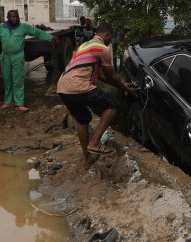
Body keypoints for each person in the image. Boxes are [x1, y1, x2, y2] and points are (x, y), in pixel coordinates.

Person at [56, 22, 137, 165]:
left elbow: (99, 75)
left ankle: (87, 160)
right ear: (108, 34)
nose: (110, 40)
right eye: (111, 37)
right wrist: (126, 89)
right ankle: (94, 143)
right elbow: (110, 76)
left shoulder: (84, 45)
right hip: (78, 86)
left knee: (83, 120)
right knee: (113, 104)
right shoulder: (103, 49)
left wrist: (122, 85)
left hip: (63, 86)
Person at [0, 10, 55, 112]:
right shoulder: (1, 27)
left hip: (17, 57)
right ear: (8, 17)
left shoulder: (23, 27)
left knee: (18, 80)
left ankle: (19, 104)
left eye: (16, 17)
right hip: (5, 57)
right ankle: (8, 102)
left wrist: (51, 38)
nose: (15, 19)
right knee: (7, 79)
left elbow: (37, 32)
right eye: (13, 17)